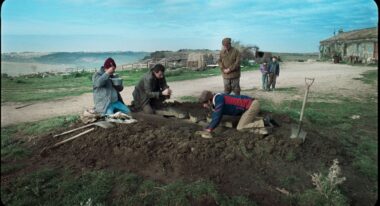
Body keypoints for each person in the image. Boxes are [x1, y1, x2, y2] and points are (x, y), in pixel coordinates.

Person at [198, 90, 264, 133]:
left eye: (204, 103)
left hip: (252, 105)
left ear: (209, 100)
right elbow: (217, 114)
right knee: (244, 121)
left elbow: (217, 116)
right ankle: (260, 122)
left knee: (240, 128)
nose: (204, 106)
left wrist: (209, 129)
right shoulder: (216, 100)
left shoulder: (219, 99)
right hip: (248, 107)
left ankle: (264, 122)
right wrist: (210, 126)